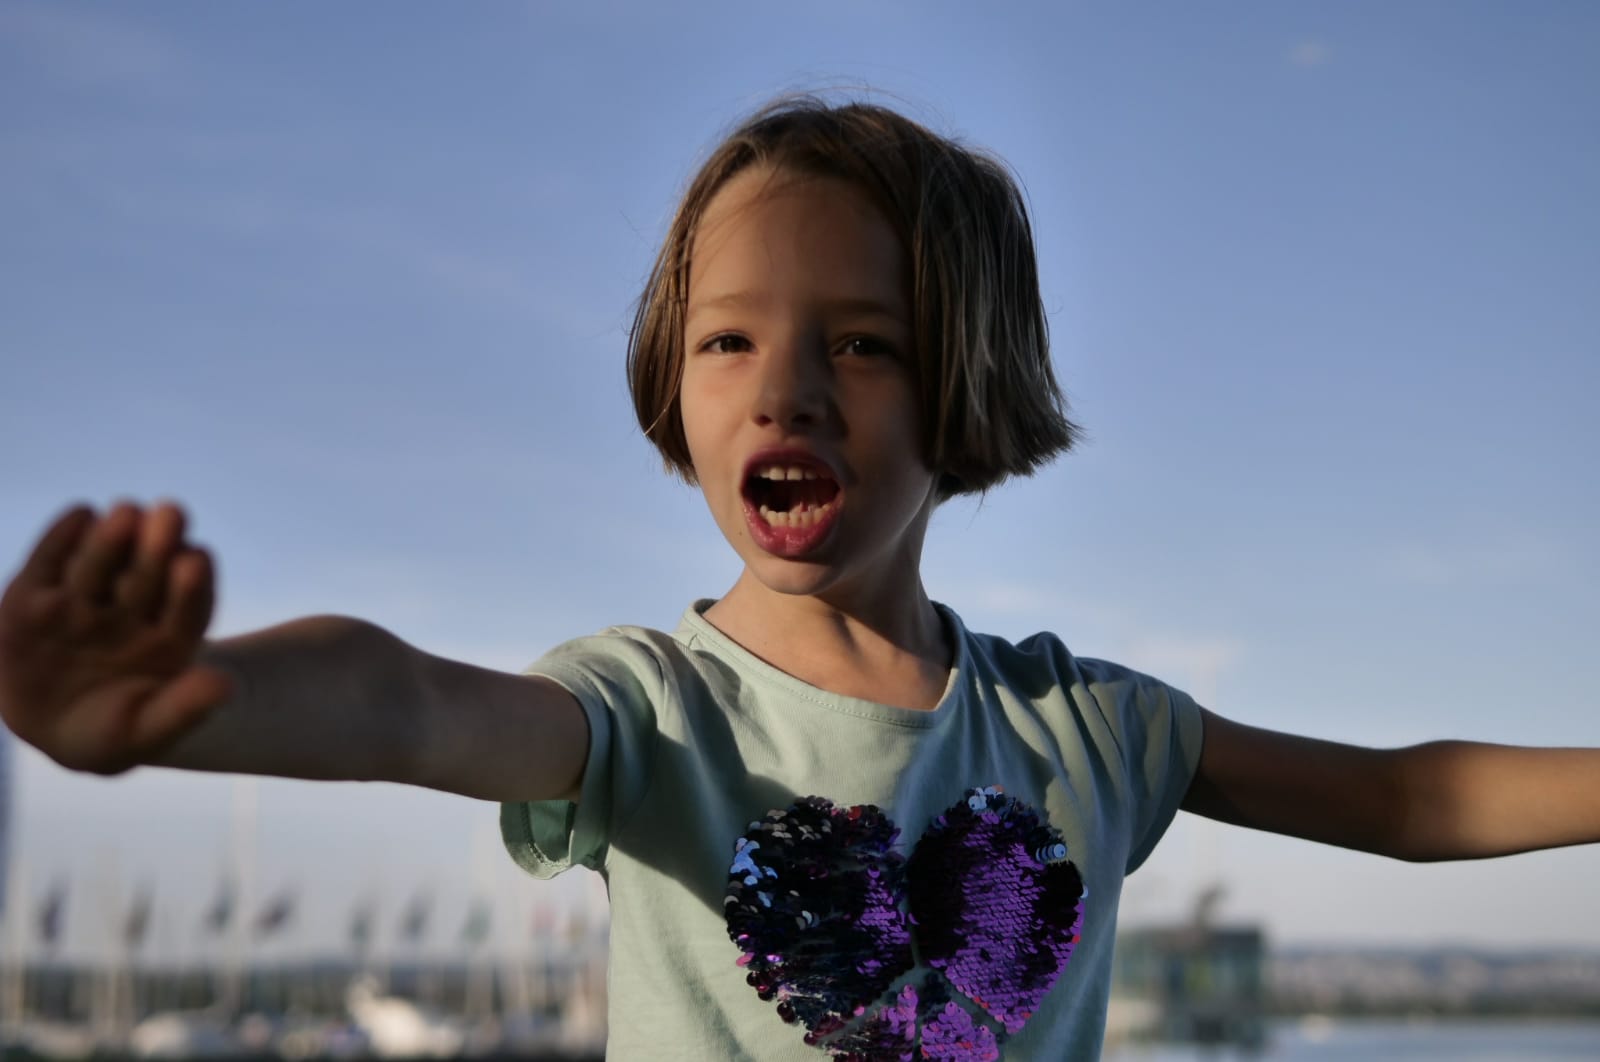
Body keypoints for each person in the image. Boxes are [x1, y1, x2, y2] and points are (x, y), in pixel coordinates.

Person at [1, 96, 1596, 1061]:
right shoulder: (650, 710)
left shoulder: (1085, 731)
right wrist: (195, 702)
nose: (786, 390)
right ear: (672, 383)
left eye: (864, 343)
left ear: (967, 386)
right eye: (729, 339)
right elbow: (409, 702)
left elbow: (1408, 797)